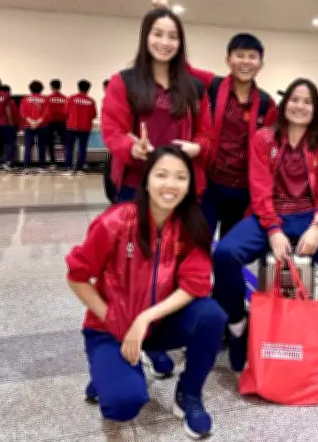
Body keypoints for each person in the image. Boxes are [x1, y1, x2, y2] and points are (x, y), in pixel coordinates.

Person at [212, 78, 318, 408]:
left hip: (310, 217)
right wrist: (273, 229)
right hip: (269, 214)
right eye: (295, 99)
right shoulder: (264, 139)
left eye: (308, 102)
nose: (300, 106)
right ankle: (237, 324)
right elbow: (259, 189)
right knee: (224, 254)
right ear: (285, 103)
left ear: (315, 109)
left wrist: (317, 226)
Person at [66, 145, 226, 439]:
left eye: (180, 177)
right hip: (109, 326)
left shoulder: (191, 226)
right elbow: (76, 277)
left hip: (157, 325)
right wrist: (114, 319)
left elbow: (195, 285)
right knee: (123, 403)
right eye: (161, 175)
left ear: (189, 185)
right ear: (147, 180)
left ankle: (189, 395)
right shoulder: (115, 221)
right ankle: (105, 372)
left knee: (212, 315)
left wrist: (144, 318)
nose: (170, 184)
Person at [101, 5, 213, 377]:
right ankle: (124, 340)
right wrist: (132, 148)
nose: (165, 42)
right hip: (136, 188)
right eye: (157, 33)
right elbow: (113, 130)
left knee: (171, 268)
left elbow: (207, 135)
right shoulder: (125, 81)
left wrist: (197, 148)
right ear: (145, 37)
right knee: (132, 268)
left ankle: (156, 338)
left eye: (172, 35)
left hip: (179, 192)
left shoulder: (193, 86)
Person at [186, 33, 279, 240]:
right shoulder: (211, 85)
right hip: (208, 186)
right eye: (239, 55)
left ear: (261, 64)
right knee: (198, 244)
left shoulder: (267, 104)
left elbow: (271, 150)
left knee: (230, 251)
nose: (246, 61)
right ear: (228, 60)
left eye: (252, 57)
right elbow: (183, 68)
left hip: (243, 193)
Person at [63, 79, 97, 176]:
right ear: (88, 89)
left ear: (78, 87)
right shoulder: (91, 101)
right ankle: (79, 169)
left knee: (69, 147)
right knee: (82, 148)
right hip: (85, 128)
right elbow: (94, 115)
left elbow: (65, 112)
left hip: (71, 127)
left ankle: (68, 167)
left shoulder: (71, 98)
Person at [19, 80, 49, 173]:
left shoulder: (25, 99)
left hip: (28, 125)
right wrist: (38, 121)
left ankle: (26, 166)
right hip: (42, 126)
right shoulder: (45, 99)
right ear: (41, 88)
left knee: (28, 146)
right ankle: (41, 165)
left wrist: (31, 122)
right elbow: (46, 113)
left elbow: (22, 113)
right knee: (41, 146)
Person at [0, 84, 17, 171]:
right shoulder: (10, 101)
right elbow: (13, 113)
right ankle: (7, 162)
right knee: (10, 143)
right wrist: (12, 124)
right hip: (6, 124)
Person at [46, 79, 67, 168]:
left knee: (50, 142)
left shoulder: (48, 98)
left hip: (50, 122)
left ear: (51, 87)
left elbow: (45, 111)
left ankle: (53, 163)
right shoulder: (65, 98)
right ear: (60, 86)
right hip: (62, 122)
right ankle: (67, 162)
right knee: (65, 143)